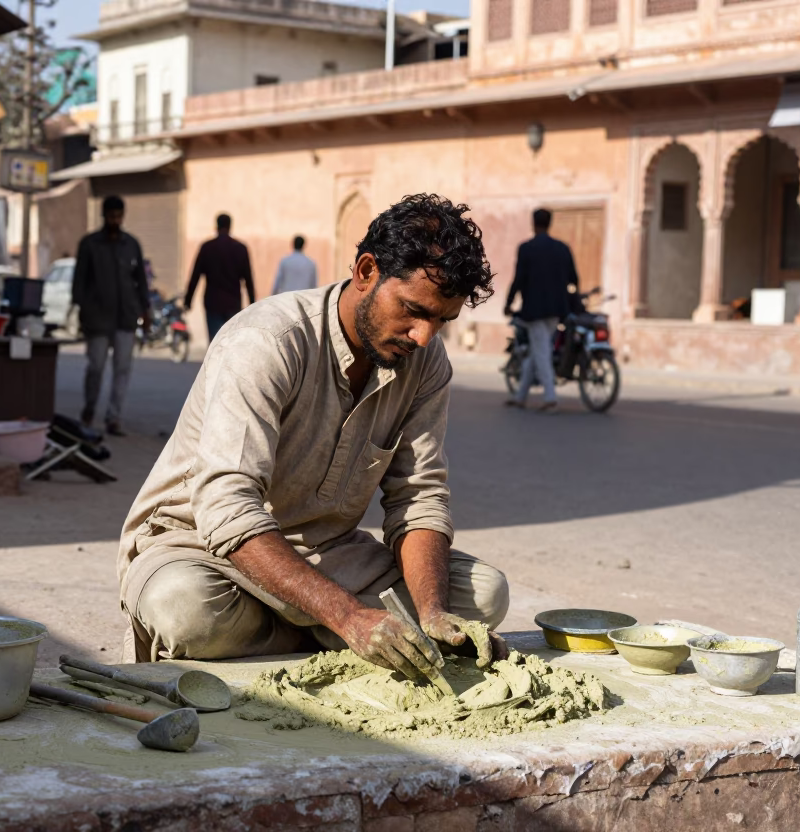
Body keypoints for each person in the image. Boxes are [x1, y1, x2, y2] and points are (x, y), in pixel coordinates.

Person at [118, 194, 510, 675]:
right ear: (366, 271)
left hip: (328, 554)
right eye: (412, 310)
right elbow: (227, 507)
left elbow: (419, 496)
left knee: (483, 594)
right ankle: (320, 627)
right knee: (184, 610)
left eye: (440, 321)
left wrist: (429, 613)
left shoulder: (425, 362)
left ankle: (295, 627)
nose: (423, 336)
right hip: (199, 549)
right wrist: (347, 616)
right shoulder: (266, 342)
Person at [72, 195, 152, 436]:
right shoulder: (89, 244)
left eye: (119, 216)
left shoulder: (132, 245)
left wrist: (145, 310)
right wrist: (83, 309)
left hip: (125, 317)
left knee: (122, 369)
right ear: (103, 215)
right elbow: (79, 283)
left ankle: (113, 417)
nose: (115, 220)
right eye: (111, 216)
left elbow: (140, 282)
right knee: (96, 367)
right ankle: (89, 410)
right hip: (97, 319)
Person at [503, 208, 579, 411]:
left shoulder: (527, 248)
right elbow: (574, 279)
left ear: (533, 223)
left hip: (535, 310)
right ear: (550, 223)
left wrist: (509, 303)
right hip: (556, 310)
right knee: (538, 350)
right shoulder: (562, 248)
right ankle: (520, 397)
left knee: (541, 351)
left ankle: (550, 397)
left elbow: (518, 279)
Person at [186, 213, 256, 341]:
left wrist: (188, 300)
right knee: (232, 341)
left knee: (214, 342)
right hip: (233, 302)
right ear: (230, 226)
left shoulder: (207, 247)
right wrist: (252, 303)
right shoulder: (240, 248)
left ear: (216, 226)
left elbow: (195, 276)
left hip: (213, 302)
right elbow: (248, 279)